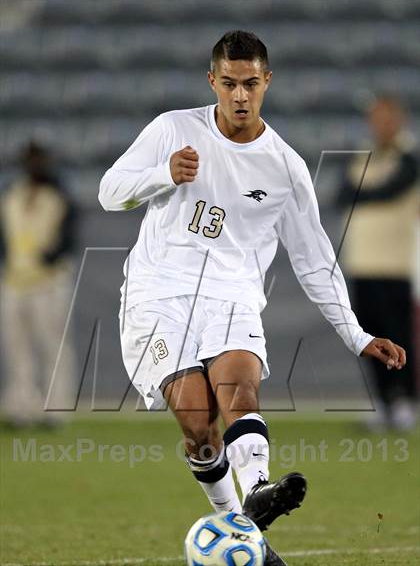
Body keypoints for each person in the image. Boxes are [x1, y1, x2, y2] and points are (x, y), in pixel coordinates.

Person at [99, 31, 406, 565]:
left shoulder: (284, 167)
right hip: (157, 295)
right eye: (229, 84)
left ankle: (258, 491)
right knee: (198, 423)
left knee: (238, 386)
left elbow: (314, 259)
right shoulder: (173, 129)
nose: (240, 96)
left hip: (232, 296)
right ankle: (245, 533)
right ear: (212, 81)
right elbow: (109, 192)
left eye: (250, 84)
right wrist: (160, 175)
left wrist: (356, 334)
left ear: (267, 82)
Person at [336, 96, 418, 431]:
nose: (381, 125)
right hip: (361, 262)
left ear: (399, 119)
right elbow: (340, 194)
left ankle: (407, 401)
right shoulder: (361, 155)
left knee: (399, 334)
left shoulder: (410, 157)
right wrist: (361, 192)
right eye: (376, 118)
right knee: (368, 337)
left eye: (387, 118)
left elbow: (390, 190)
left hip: (394, 263)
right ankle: (385, 402)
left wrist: (361, 193)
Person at [0, 141, 76, 429]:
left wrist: (49, 258)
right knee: (16, 347)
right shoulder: (11, 194)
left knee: (52, 345)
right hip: (13, 280)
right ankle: (21, 408)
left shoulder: (59, 196)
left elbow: (68, 239)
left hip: (49, 282)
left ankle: (55, 410)